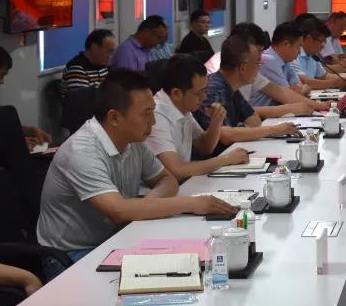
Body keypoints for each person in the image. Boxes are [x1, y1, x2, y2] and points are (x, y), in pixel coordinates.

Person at [36, 70, 237, 270]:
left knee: (189, 260)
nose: (153, 121)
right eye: (146, 114)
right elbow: (119, 211)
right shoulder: (82, 151)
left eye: (153, 111)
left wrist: (149, 202)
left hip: (117, 237)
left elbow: (167, 180)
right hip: (73, 254)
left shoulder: (132, 141)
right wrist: (191, 203)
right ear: (114, 117)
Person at [146, 55, 250, 182]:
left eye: (205, 90)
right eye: (199, 92)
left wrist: (216, 122)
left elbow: (204, 147)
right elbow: (176, 171)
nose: (204, 97)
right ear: (176, 93)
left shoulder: (182, 105)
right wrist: (226, 159)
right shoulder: (156, 115)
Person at [197, 35, 300, 150]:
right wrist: (274, 130)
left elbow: (254, 120)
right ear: (243, 68)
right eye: (257, 63)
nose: (259, 69)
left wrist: (238, 131)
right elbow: (224, 135)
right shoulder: (213, 89)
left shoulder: (232, 86)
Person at [251, 23, 328, 114]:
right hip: (262, 117)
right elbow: (287, 96)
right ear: (286, 44)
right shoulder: (268, 60)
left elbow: (295, 88)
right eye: (298, 47)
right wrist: (320, 104)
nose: (300, 52)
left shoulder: (285, 60)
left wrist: (298, 91)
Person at [291, 18, 346, 90]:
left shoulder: (312, 56)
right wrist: (334, 83)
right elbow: (306, 82)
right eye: (321, 41)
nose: (323, 46)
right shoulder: (293, 55)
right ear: (309, 39)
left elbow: (324, 76)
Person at [62, 29, 115, 97]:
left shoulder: (104, 65)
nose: (111, 56)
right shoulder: (77, 69)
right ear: (94, 47)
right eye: (109, 52)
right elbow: (81, 100)